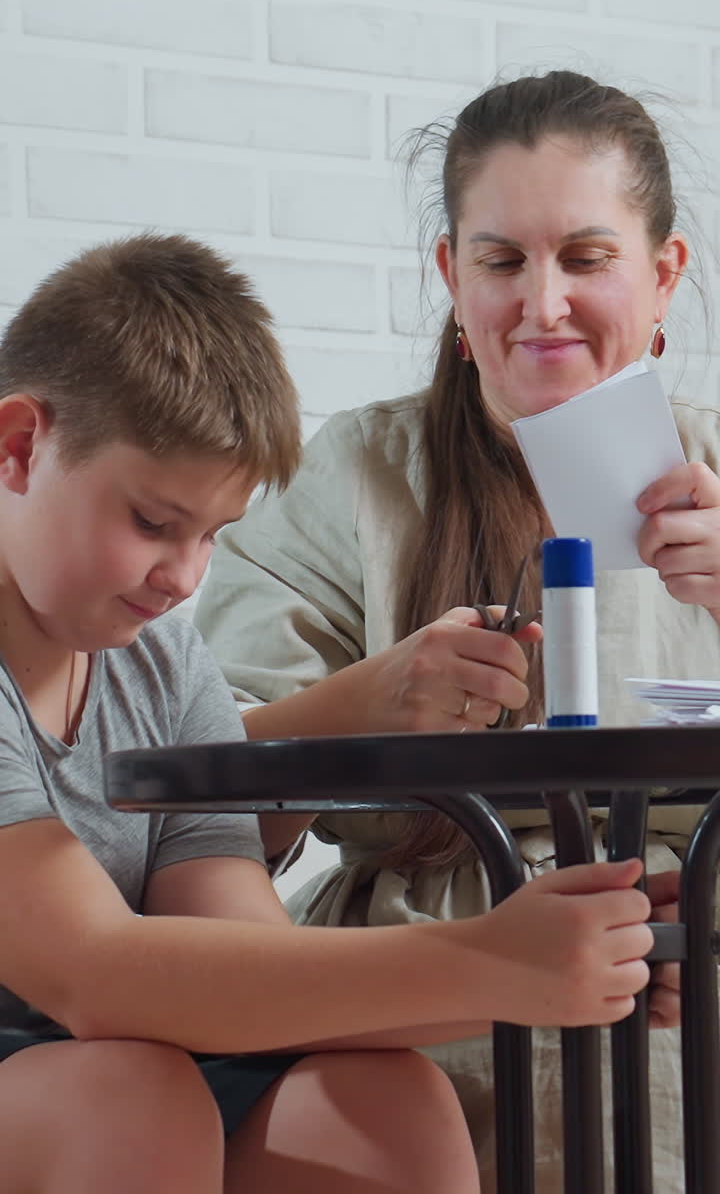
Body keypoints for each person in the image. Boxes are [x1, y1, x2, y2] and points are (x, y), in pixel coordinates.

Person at [0, 230, 658, 1194]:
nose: (182, 578)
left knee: (385, 1107)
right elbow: (97, 977)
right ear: (20, 447)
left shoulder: (159, 653)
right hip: (78, 1071)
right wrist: (485, 963)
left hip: (118, 1060)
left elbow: (244, 954)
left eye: (213, 535)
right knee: (131, 1098)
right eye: (152, 522)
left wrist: (570, 968)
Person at [194, 70, 719, 1191]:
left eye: (586, 257)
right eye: (500, 261)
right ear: (450, 274)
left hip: (685, 1007)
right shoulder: (352, 476)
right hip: (417, 1021)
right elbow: (197, 811)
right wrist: (363, 705)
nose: (543, 305)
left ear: (664, 272)